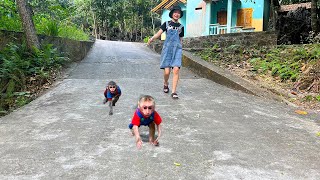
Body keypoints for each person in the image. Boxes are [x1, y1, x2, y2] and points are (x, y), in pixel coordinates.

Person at [148, 5, 184, 99]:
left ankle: (174, 92)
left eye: (178, 13)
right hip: (167, 49)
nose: (177, 14)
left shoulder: (181, 27)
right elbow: (158, 33)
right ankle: (165, 83)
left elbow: (180, 39)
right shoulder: (166, 24)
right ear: (172, 14)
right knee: (167, 72)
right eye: (175, 12)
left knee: (176, 69)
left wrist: (181, 48)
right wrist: (151, 39)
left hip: (177, 50)